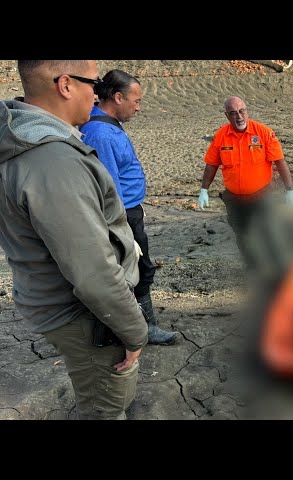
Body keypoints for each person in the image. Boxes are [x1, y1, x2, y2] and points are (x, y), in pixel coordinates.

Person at [0, 60, 148, 419]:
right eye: (93, 85)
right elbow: (93, 273)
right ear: (65, 85)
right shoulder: (54, 162)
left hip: (54, 302)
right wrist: (134, 332)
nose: (96, 95)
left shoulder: (24, 139)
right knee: (105, 406)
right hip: (86, 316)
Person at [79, 70, 178, 346]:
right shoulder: (100, 134)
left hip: (131, 211)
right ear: (118, 96)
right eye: (136, 101)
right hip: (123, 216)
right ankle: (142, 329)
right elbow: (109, 190)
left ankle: (130, 329)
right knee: (137, 271)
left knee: (135, 270)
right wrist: (122, 229)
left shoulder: (107, 125)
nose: (138, 107)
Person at [198, 95, 293, 269]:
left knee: (269, 231)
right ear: (226, 116)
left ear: (247, 111)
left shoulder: (264, 133)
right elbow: (211, 165)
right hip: (235, 199)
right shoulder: (221, 136)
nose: (239, 116)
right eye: (233, 113)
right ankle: (254, 268)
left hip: (262, 196)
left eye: (241, 111)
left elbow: (280, 162)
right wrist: (204, 190)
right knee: (242, 234)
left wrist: (290, 190)